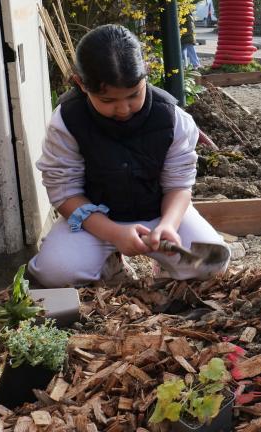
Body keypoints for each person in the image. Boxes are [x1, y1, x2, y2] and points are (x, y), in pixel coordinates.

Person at [28, 24, 228, 287]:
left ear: (145, 73)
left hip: (158, 215)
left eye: (134, 95)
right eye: (107, 101)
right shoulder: (67, 122)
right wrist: (114, 233)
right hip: (94, 222)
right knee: (54, 273)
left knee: (213, 262)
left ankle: (165, 267)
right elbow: (65, 194)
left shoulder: (172, 118)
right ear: (81, 83)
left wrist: (168, 225)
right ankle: (110, 263)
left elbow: (179, 186)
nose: (123, 109)